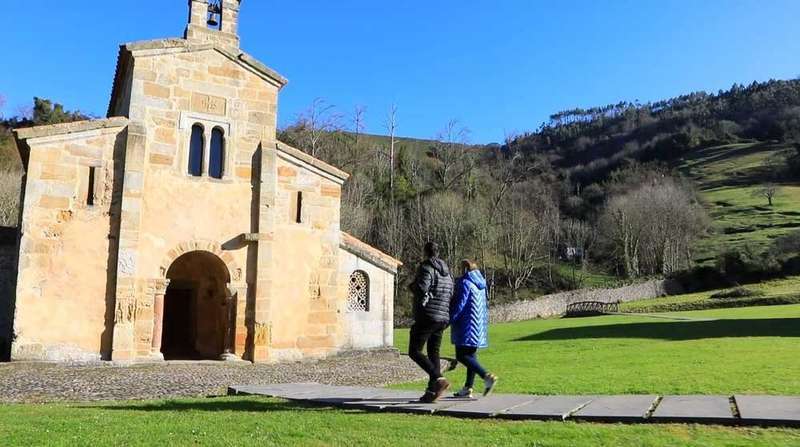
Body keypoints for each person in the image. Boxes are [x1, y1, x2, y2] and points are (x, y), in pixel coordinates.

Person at [408, 242, 454, 403]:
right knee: (433, 353)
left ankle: (438, 378)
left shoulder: (426, 267)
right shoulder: (448, 273)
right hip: (443, 317)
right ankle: (431, 392)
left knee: (414, 351)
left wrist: (412, 286)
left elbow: (422, 288)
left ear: (425, 252)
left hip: (427, 315)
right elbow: (450, 293)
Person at [450, 260, 497, 398]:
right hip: (478, 326)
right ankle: (468, 387)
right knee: (471, 356)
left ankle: (486, 375)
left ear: (464, 269)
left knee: (461, 356)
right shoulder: (481, 285)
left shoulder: (465, 283)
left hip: (465, 325)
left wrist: (449, 319)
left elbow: (460, 305)